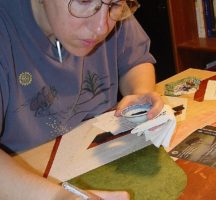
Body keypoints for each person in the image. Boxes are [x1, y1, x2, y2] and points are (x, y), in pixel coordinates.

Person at [0, 0, 164, 199]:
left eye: (115, 4)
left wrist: (139, 90)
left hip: (96, 152)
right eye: (84, 1)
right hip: (23, 179)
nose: (101, 27)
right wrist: (59, 197)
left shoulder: (108, 13)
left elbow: (135, 60)